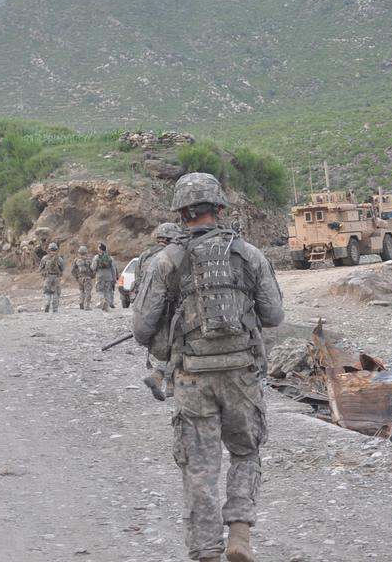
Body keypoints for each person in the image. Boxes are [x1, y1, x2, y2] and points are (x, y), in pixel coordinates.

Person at [132, 173, 284, 562]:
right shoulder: (250, 255)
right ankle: (239, 533)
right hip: (241, 373)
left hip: (192, 376)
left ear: (182, 214)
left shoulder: (166, 261)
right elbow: (273, 315)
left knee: (198, 469)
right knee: (246, 453)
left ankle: (206, 553)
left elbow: (142, 328)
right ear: (219, 209)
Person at [136, 222, 184, 401]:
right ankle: (170, 383)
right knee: (177, 343)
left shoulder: (145, 255)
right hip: (173, 307)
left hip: (150, 307)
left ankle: (159, 376)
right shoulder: (172, 256)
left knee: (164, 345)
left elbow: (140, 282)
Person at [38, 242, 65, 313]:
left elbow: (40, 268)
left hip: (48, 277)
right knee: (56, 293)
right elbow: (62, 268)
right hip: (56, 277)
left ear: (49, 249)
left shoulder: (44, 258)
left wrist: (43, 275)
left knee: (47, 293)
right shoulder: (59, 259)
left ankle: (47, 304)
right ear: (56, 249)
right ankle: (55, 309)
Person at [91, 242, 117, 311]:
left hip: (100, 277)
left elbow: (93, 267)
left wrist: (93, 272)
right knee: (107, 291)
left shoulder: (96, 257)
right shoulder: (110, 258)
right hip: (109, 277)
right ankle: (107, 306)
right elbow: (113, 269)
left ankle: (102, 300)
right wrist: (114, 279)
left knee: (100, 290)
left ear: (100, 249)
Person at [71, 245, 95, 310]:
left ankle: (81, 302)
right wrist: (93, 276)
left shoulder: (76, 260)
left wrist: (76, 277)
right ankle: (87, 306)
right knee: (88, 292)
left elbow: (72, 270)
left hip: (80, 278)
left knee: (81, 291)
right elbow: (93, 269)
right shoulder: (89, 260)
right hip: (87, 278)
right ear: (86, 252)